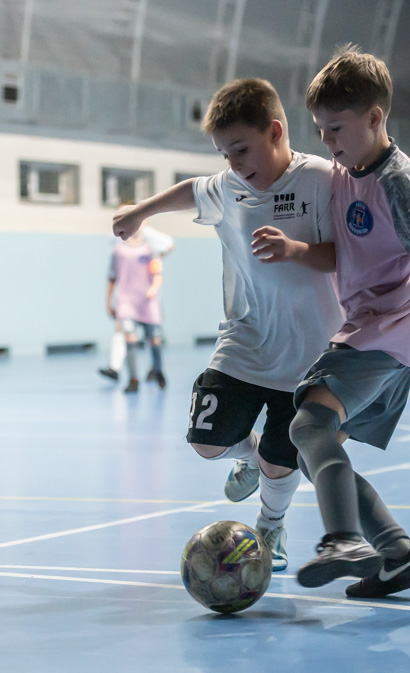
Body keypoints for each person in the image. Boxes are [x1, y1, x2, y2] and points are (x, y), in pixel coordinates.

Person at [112, 78, 344, 569]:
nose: (234, 164)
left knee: (282, 460)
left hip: (310, 353)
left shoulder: (321, 180)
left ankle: (271, 525)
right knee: (205, 440)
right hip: (245, 340)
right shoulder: (229, 186)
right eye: (224, 154)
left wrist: (295, 250)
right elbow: (194, 189)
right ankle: (248, 455)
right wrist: (141, 212)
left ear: (275, 132)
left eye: (241, 149)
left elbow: (345, 256)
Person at [276, 46, 410, 597]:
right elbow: (348, 253)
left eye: (335, 129)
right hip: (370, 330)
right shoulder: (345, 169)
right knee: (316, 453)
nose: (327, 141)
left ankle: (343, 540)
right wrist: (295, 250)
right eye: (320, 129)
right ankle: (397, 555)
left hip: (387, 329)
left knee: (308, 428)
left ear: (375, 117)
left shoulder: (396, 178)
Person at [98, 224, 174, 389]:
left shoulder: (150, 250)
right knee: (129, 337)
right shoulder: (118, 250)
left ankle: (157, 370)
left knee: (154, 339)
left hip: (147, 302)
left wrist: (153, 288)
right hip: (127, 302)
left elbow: (158, 273)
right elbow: (111, 278)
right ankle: (133, 379)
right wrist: (108, 302)